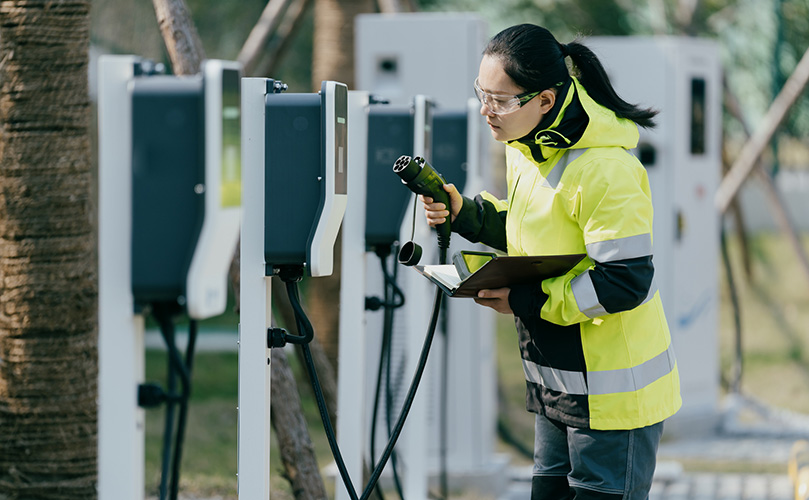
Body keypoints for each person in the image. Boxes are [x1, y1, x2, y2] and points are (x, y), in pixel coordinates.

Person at [420, 24, 682, 500]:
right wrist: (467, 216)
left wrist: (524, 298)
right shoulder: (527, 146)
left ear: (544, 100)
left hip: (612, 403)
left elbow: (623, 281)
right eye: (481, 93)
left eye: (500, 100)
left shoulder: (607, 169)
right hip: (555, 388)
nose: (485, 110)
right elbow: (534, 228)